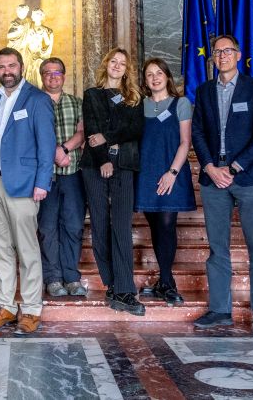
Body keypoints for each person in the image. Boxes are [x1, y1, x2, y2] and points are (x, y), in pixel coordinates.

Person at [191, 34, 253, 336]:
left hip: (248, 177)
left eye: (227, 51)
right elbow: (197, 134)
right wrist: (211, 167)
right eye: (217, 52)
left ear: (238, 55)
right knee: (217, 249)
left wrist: (235, 167)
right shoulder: (202, 92)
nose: (222, 56)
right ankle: (220, 310)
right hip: (213, 180)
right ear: (213, 58)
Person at [0, 47, 56, 335]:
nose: (7, 71)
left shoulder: (37, 99)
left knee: (27, 249)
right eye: (2, 66)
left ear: (21, 67)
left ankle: (31, 310)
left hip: (23, 183)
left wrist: (42, 182)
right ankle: (6, 306)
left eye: (11, 65)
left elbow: (47, 146)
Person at [82, 48, 145, 316]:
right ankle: (111, 282)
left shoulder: (133, 98)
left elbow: (135, 129)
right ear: (106, 64)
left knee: (120, 225)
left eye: (123, 63)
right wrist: (103, 157)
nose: (117, 66)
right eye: (113, 61)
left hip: (125, 165)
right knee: (99, 225)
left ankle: (125, 290)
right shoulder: (92, 95)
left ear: (126, 69)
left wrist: (107, 139)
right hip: (94, 166)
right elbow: (91, 127)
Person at [136, 57, 194, 306]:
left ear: (167, 76)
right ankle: (163, 283)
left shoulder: (181, 103)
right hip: (145, 173)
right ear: (145, 81)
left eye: (158, 73)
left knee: (168, 223)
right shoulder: (139, 106)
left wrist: (172, 173)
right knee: (155, 225)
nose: (155, 78)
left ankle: (167, 281)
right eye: (149, 74)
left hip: (171, 172)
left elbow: (185, 142)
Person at [36, 57, 87, 298]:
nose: (52, 76)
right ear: (42, 77)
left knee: (73, 226)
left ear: (64, 76)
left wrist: (63, 150)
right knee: (47, 228)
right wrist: (52, 155)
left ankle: (72, 277)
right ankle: (53, 278)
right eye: (47, 73)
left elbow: (82, 132)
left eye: (57, 72)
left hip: (72, 173)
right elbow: (31, 137)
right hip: (44, 177)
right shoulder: (34, 103)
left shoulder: (77, 103)